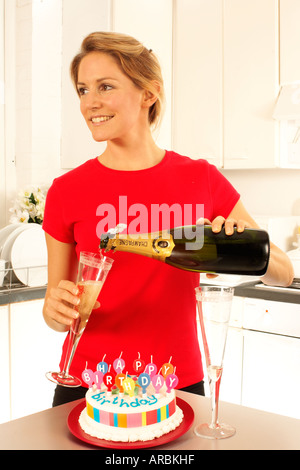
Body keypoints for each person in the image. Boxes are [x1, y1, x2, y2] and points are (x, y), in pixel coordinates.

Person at [42, 32, 294, 407]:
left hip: (175, 381)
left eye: (105, 87)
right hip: (87, 381)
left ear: (149, 93)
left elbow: (284, 273)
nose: (89, 103)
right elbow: (57, 308)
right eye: (82, 90)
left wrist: (236, 246)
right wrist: (54, 309)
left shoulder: (201, 179)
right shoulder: (65, 190)